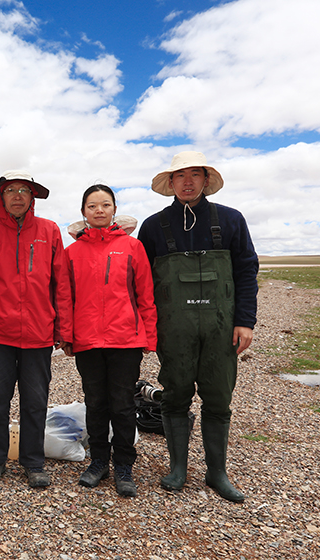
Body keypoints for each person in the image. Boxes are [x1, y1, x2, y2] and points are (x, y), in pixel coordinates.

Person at [137, 151, 258, 503]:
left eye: (194, 174)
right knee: (175, 395)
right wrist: (146, 328)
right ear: (171, 182)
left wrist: (245, 321)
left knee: (218, 398)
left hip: (222, 328)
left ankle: (217, 472)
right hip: (173, 329)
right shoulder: (153, 227)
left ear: (206, 180)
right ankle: (177, 468)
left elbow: (246, 271)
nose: (187, 181)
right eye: (180, 175)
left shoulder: (232, 220)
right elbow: (141, 283)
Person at [0, 170, 73, 488]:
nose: (18, 196)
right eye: (11, 190)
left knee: (35, 402)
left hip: (38, 332)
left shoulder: (49, 231)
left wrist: (63, 330)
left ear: (32, 197)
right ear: (0, 197)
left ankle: (33, 462)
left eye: (24, 190)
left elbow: (61, 285)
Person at [64, 185, 157, 498]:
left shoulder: (132, 246)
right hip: (87, 340)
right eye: (92, 206)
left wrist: (149, 336)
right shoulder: (72, 253)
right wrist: (66, 335)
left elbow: (145, 294)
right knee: (95, 403)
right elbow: (65, 297)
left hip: (125, 339)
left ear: (114, 209)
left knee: (123, 404)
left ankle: (124, 466)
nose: (99, 210)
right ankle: (99, 461)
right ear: (83, 212)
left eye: (105, 204)